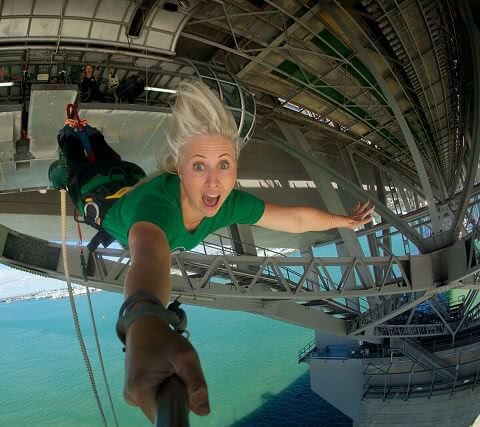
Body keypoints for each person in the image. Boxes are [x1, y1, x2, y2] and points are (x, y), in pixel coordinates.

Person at [58, 81, 374, 422]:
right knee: (73, 156)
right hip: (100, 196)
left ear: (235, 166)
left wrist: (343, 219)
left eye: (223, 164)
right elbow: (150, 256)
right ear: (179, 169)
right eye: (198, 166)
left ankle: (83, 129)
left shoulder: (230, 202)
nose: (213, 182)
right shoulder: (157, 209)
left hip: (127, 179)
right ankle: (71, 133)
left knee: (100, 146)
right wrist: (143, 322)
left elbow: (292, 218)